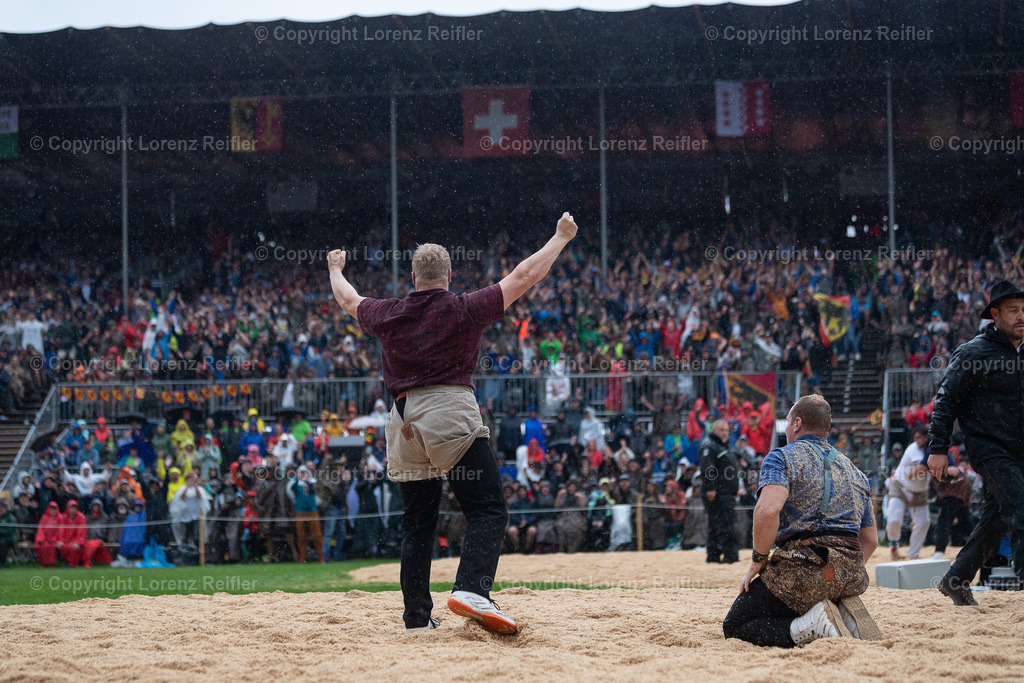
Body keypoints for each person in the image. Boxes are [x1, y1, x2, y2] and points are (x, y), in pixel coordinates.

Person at [329, 211, 579, 633]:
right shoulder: (463, 308)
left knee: (418, 522)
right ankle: (472, 589)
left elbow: (349, 300)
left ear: (413, 275)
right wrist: (559, 238)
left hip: (401, 419)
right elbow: (523, 276)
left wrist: (336, 268)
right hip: (448, 410)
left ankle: (416, 618)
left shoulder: (388, 313)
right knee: (487, 508)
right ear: (448, 274)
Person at [723, 395, 881, 648]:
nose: (785, 429)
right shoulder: (856, 471)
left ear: (797, 424)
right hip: (851, 574)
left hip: (804, 568)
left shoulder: (781, 458)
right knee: (811, 589)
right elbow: (871, 540)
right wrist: (838, 573)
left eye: (786, 422)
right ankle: (838, 609)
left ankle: (812, 625)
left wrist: (758, 561)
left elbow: (767, 511)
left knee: (736, 624)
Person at [928, 281, 1024, 604]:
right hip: (989, 449)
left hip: (1018, 449)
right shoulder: (972, 352)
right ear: (995, 315)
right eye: (1013, 310)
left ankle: (956, 579)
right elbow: (945, 402)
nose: (1022, 316)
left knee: (997, 518)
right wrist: (938, 448)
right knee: (1021, 507)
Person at [885, 424, 933, 560]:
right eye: (915, 437)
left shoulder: (930, 450)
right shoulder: (913, 449)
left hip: (919, 491)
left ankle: (913, 554)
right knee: (894, 518)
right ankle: (894, 545)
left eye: (919, 437)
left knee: (924, 522)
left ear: (926, 437)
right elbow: (921, 468)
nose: (916, 440)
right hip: (900, 486)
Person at [700, 420, 740, 564]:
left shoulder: (723, 446)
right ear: (714, 430)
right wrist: (710, 488)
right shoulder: (709, 445)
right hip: (717, 491)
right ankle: (730, 555)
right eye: (722, 430)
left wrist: (734, 489)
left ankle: (713, 555)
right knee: (724, 524)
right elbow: (707, 468)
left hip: (725, 491)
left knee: (717, 523)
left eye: (726, 430)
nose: (725, 433)